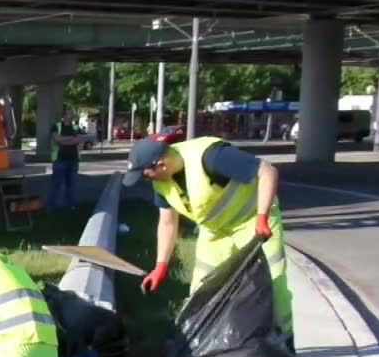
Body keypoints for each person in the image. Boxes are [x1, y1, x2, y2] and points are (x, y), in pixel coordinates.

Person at [124, 137, 293, 345]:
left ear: (161, 164)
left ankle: (285, 344)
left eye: (145, 175)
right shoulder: (161, 182)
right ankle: (199, 349)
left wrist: (262, 216)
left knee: (273, 286)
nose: (146, 180)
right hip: (215, 232)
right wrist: (161, 266)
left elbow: (267, 171)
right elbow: (167, 223)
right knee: (202, 292)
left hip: (252, 223)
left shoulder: (212, 156)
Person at [49, 108, 82, 209]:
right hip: (60, 160)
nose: (71, 115)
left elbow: (79, 140)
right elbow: (57, 139)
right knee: (56, 185)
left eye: (72, 113)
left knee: (72, 185)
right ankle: (51, 206)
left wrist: (64, 140)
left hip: (73, 160)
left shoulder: (76, 127)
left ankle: (71, 205)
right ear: (63, 116)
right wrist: (71, 139)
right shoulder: (56, 127)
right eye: (69, 113)